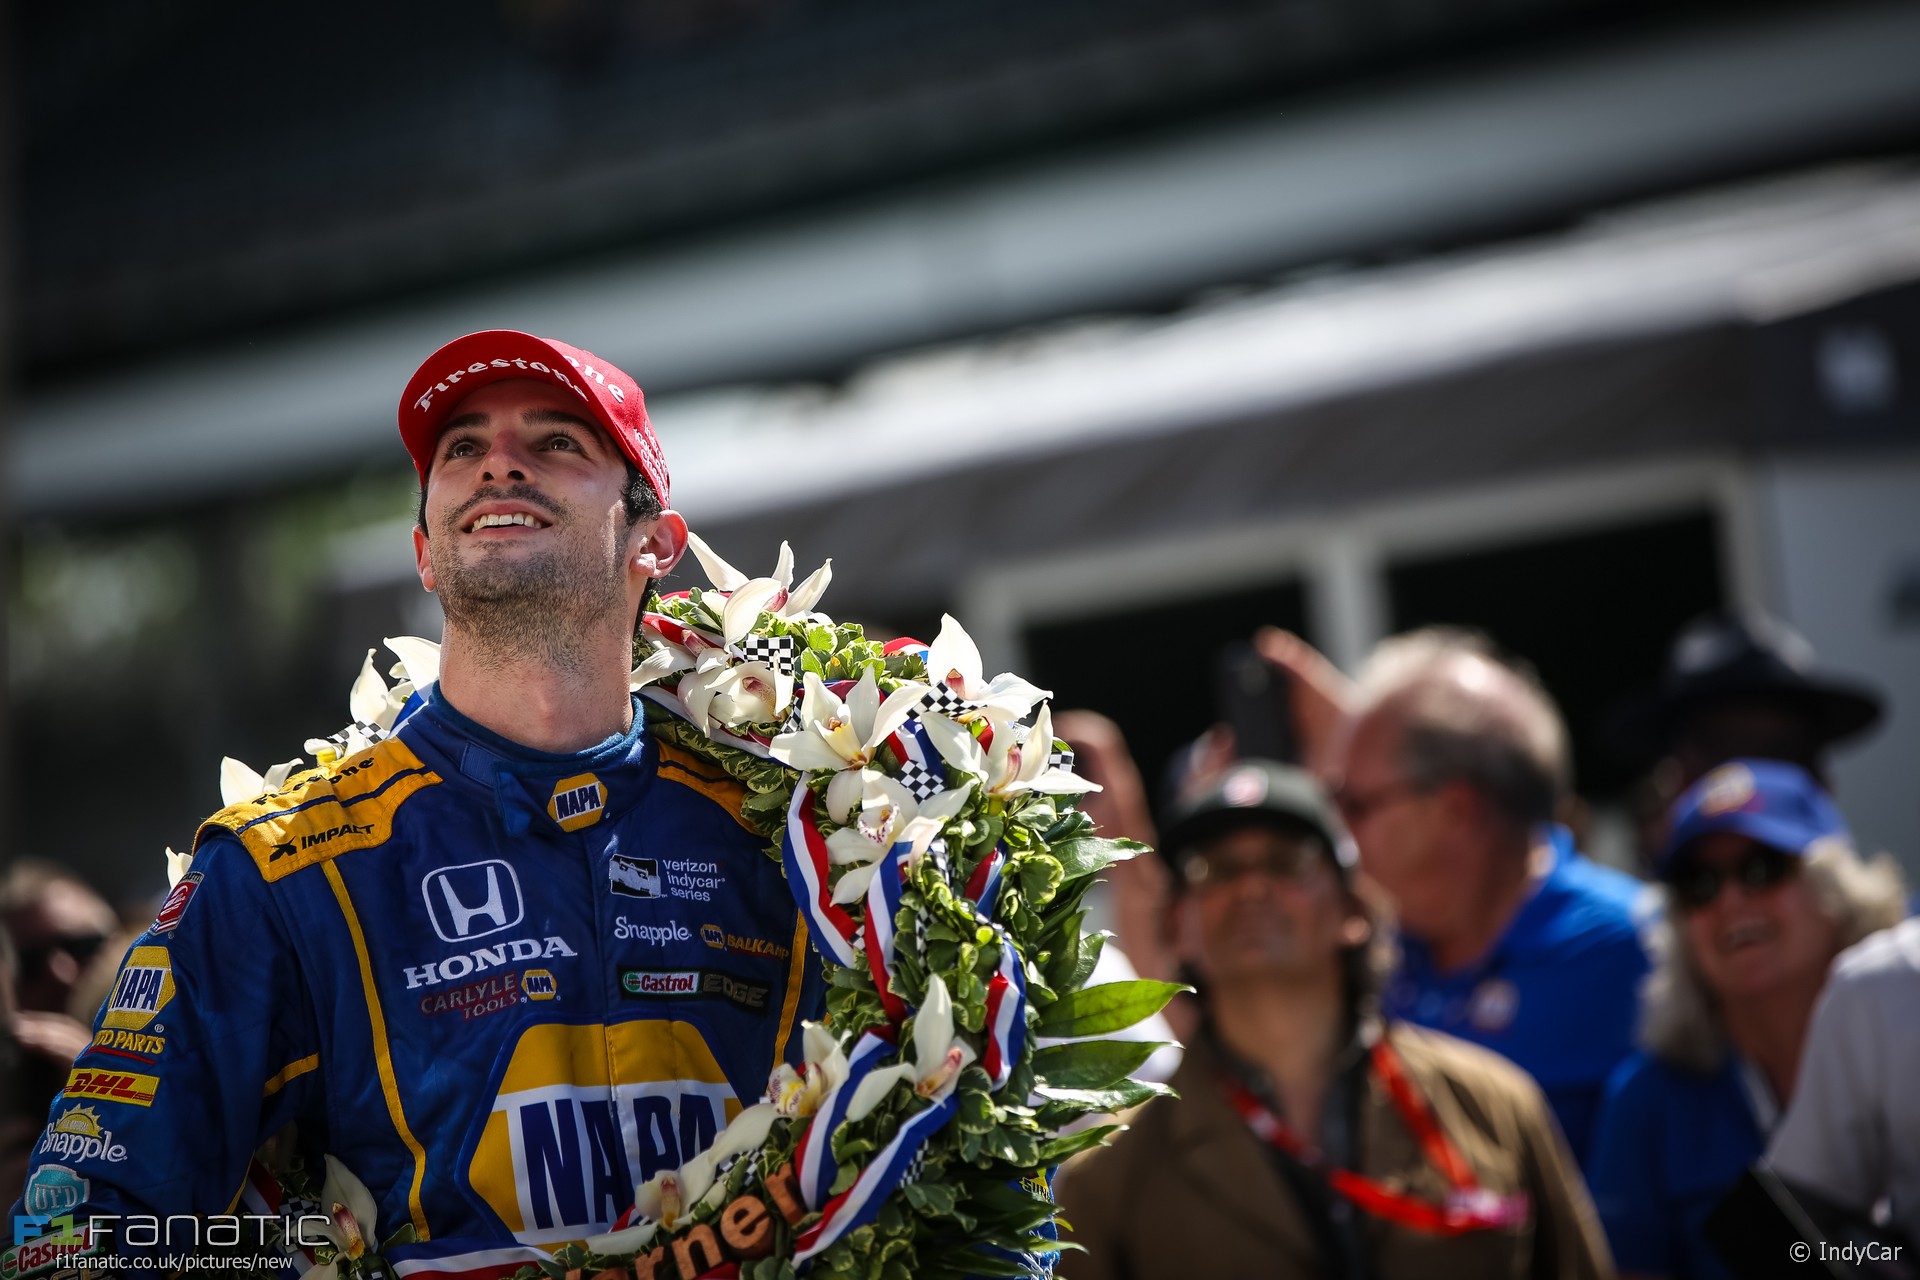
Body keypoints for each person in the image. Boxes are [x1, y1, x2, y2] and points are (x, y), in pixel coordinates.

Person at [8, 332, 827, 1272]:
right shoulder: (281, 870)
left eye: (558, 441)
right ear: (426, 553)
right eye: (463, 450)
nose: (500, 463)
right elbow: (68, 1240)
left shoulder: (796, 829)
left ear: (656, 544)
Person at [1058, 760, 1612, 1280]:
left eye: (1287, 860)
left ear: (1353, 910)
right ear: (1177, 924)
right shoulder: (1109, 1176)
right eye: (1215, 869)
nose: (1252, 887)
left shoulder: (1496, 1106)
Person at [1309, 628, 1651, 1168]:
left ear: (1454, 811)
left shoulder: (1639, 950)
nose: (1336, 835)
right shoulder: (1369, 958)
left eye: (1355, 804)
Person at [1586, 760, 1907, 1280]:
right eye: (1699, 884)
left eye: (1763, 869)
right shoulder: (1646, 1102)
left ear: (1838, 892)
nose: (1731, 900)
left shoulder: (1907, 1042)